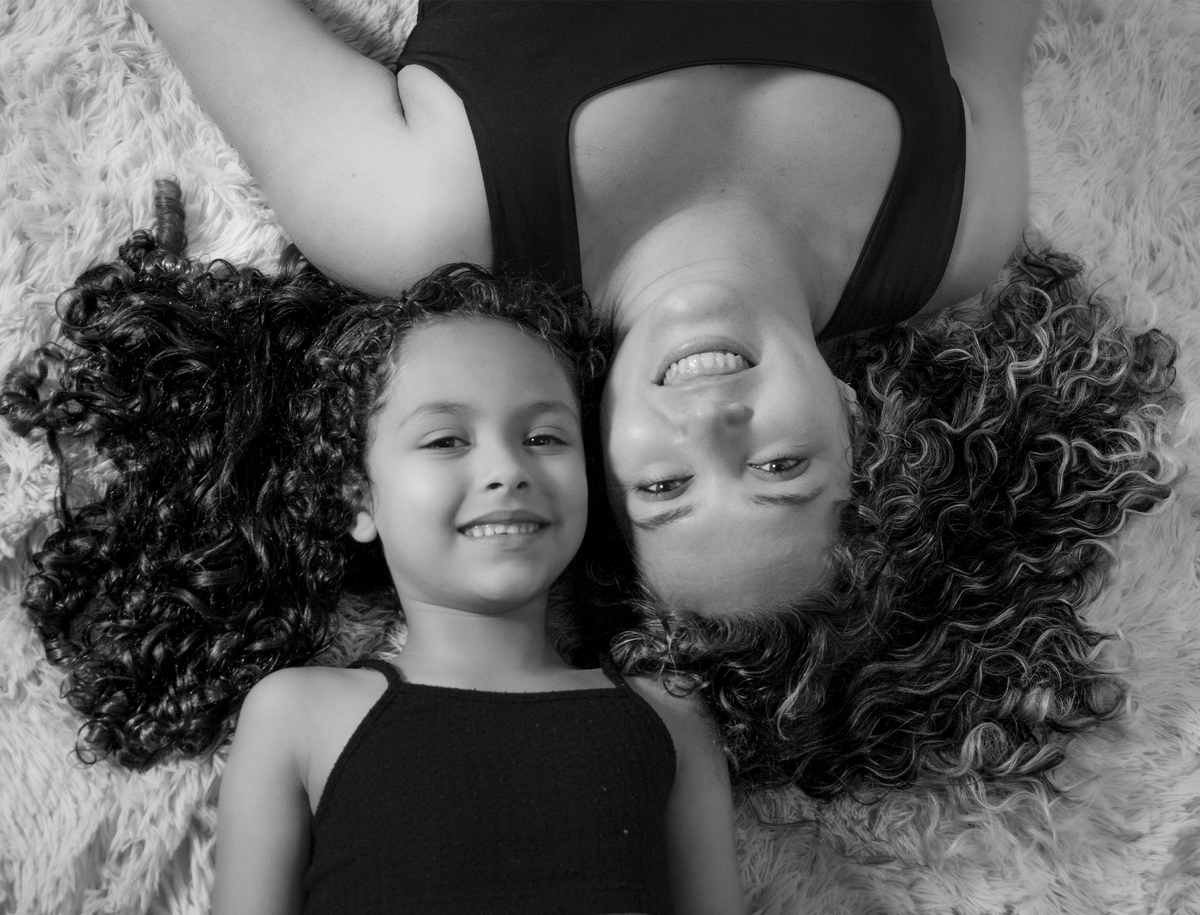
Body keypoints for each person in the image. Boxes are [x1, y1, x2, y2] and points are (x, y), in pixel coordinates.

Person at [126, 0, 1045, 614]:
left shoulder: (423, 219)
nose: (711, 425)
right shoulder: (961, 220)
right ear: (857, 427)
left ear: (597, 457)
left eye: (665, 487)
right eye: (778, 465)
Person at [1, 201, 746, 914]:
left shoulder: (672, 718)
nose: (508, 469)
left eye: (544, 437)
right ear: (359, 498)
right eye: (446, 440)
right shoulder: (298, 716)